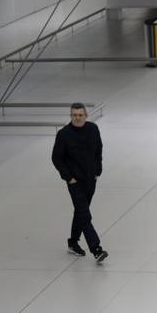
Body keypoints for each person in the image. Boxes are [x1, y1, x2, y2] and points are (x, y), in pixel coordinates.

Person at [51, 103, 108, 263]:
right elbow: (56, 158)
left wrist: (98, 171)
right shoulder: (64, 134)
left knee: (80, 212)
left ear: (86, 116)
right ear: (71, 116)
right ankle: (96, 249)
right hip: (74, 182)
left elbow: (99, 149)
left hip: (91, 179)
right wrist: (69, 178)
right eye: (74, 115)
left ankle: (73, 242)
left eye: (80, 115)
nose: (77, 117)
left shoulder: (93, 129)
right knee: (85, 214)